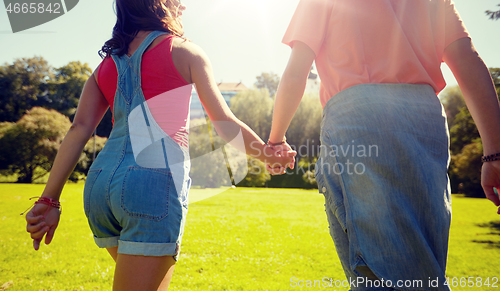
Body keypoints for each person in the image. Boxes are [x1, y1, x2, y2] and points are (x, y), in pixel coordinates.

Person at [24, 1, 295, 290]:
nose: (184, 7)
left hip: (100, 187)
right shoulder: (186, 51)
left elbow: (79, 130)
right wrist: (267, 153)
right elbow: (223, 122)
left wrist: (48, 200)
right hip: (150, 187)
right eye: (177, 0)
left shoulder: (105, 65)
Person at [267, 0, 500, 290]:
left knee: (384, 276)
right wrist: (495, 152)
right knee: (421, 267)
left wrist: (276, 140)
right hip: (426, 121)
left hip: (360, 119)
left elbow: (296, 70)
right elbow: (466, 58)